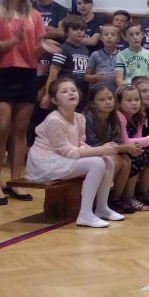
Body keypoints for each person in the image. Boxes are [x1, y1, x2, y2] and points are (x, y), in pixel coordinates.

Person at [0, 0, 50, 204]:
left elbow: (34, 51)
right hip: (0, 72)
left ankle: (16, 181)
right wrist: (12, 41)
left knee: (20, 131)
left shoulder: (34, 15)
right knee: (0, 130)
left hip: (27, 73)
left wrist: (44, 48)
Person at [26, 77, 124, 228]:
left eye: (73, 90)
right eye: (64, 91)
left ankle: (102, 207)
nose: (71, 93)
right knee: (96, 163)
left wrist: (100, 152)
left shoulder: (79, 118)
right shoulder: (54, 120)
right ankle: (85, 214)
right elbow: (67, 152)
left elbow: (80, 144)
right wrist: (99, 149)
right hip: (46, 161)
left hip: (63, 158)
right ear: (55, 100)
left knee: (107, 160)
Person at [83, 83, 140, 213]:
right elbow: (92, 144)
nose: (108, 102)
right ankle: (95, 201)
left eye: (110, 98)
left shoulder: (114, 117)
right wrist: (124, 148)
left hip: (107, 150)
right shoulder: (87, 118)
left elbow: (115, 140)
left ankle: (114, 199)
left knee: (126, 161)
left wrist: (123, 148)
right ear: (92, 104)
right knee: (115, 160)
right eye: (102, 100)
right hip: (89, 152)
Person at [115, 83, 149, 208]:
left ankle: (143, 192)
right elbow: (125, 141)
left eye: (136, 99)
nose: (134, 103)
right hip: (119, 148)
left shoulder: (140, 115)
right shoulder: (119, 116)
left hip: (129, 147)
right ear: (119, 102)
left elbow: (138, 139)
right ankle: (128, 196)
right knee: (135, 155)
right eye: (129, 100)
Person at [42, 15, 90, 107]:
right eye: (75, 29)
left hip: (82, 91)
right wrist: (48, 95)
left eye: (82, 29)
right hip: (65, 92)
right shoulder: (63, 49)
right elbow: (53, 72)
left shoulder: (85, 49)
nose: (79, 32)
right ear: (66, 32)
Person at [85, 24, 121, 88]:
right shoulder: (95, 55)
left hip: (116, 91)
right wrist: (95, 76)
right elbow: (85, 77)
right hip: (99, 90)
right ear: (101, 38)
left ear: (118, 39)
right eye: (106, 34)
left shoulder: (122, 55)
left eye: (113, 35)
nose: (109, 37)